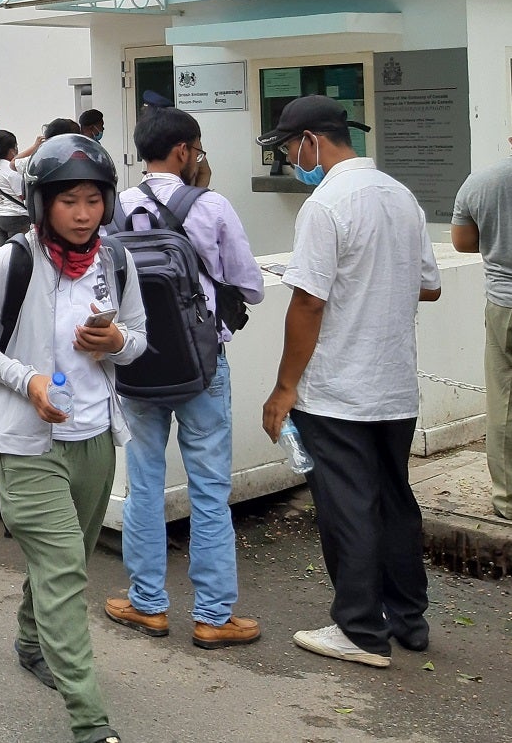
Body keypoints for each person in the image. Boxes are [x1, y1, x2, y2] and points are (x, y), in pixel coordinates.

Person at [0, 134, 148, 743]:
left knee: (66, 560)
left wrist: (116, 342)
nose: (83, 211)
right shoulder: (12, 261)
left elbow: (139, 336)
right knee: (65, 565)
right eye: (68, 199)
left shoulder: (115, 261)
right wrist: (28, 378)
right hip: (22, 442)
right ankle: (92, 723)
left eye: (94, 198)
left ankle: (30, 640)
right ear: (42, 203)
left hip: (93, 436)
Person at [258, 95, 441, 668]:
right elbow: (430, 285)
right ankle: (407, 620)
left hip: (337, 389)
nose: (291, 160)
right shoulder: (401, 196)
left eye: (290, 149)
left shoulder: (326, 204)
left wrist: (285, 388)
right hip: (393, 385)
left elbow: (308, 302)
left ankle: (359, 629)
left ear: (311, 140)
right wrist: (375, 279)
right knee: (393, 503)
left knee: (347, 508)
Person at [105, 108, 266, 650]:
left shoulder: (117, 207)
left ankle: (147, 604)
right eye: (195, 149)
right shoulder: (212, 205)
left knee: (145, 483)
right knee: (210, 489)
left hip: (137, 365)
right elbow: (250, 285)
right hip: (202, 366)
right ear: (184, 150)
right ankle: (214, 616)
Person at [452, 138, 512, 519]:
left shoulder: (481, 182)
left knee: (503, 403)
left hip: (504, 303)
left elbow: (462, 242)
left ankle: (507, 499)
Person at [0, 128, 30, 249]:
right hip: (16, 217)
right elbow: (22, 195)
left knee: (3, 253)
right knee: (18, 252)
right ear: (12, 150)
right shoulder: (11, 170)